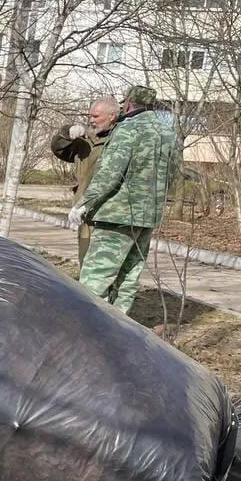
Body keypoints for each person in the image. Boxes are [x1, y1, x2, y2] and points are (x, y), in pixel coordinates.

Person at [68, 85, 179, 314]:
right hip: (147, 217)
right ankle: (119, 334)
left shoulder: (128, 129)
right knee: (128, 280)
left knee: (94, 279)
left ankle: (83, 331)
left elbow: (110, 174)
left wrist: (83, 205)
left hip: (117, 217)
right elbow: (174, 173)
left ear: (127, 104)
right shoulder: (168, 132)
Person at [51, 96, 120, 263]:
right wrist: (66, 133)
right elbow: (59, 149)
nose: (91, 120)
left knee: (106, 265)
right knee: (86, 263)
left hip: (110, 214)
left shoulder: (122, 139)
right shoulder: (86, 140)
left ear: (112, 116)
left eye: (96, 116)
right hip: (85, 213)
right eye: (90, 116)